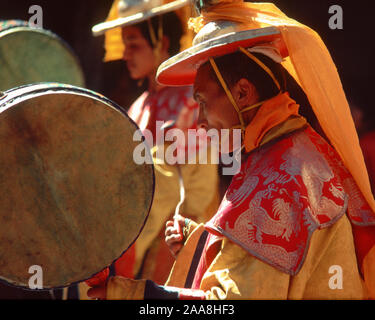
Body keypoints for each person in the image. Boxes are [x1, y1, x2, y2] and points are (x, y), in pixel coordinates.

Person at [88, 0, 375, 300]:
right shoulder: (293, 151)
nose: (198, 120)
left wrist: (133, 296)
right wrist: (203, 241)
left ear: (242, 92)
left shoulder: (278, 179)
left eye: (201, 101)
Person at [85, 0, 220, 291]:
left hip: (181, 241)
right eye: (124, 45)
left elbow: (189, 187)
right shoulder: (138, 107)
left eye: (133, 44)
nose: (125, 55)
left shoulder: (192, 102)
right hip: (141, 243)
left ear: (163, 41)